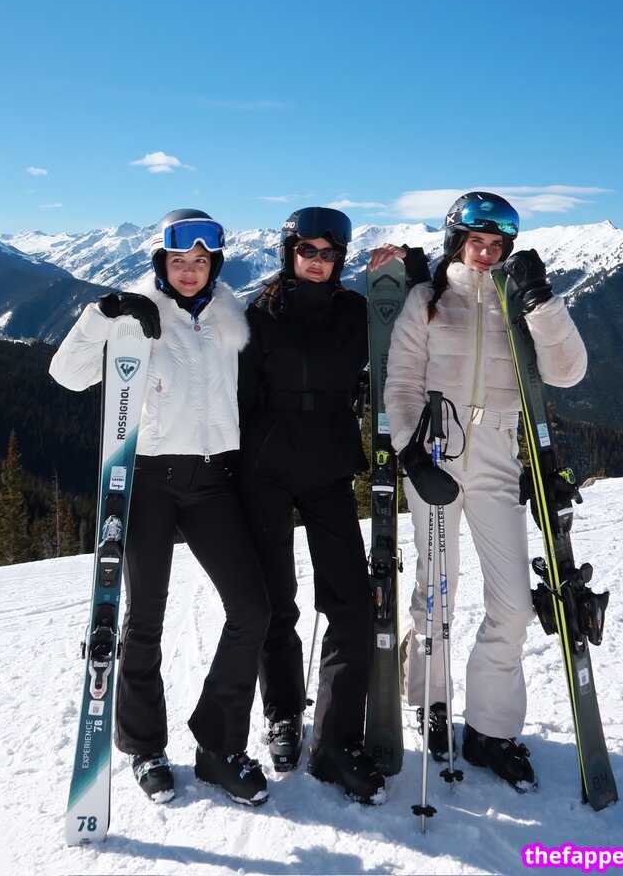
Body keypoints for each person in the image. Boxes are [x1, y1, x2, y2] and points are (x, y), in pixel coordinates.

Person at [49, 209, 272, 807]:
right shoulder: (136, 316)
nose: (190, 270)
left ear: (214, 264)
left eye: (201, 260)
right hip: (148, 479)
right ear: (161, 262)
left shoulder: (230, 317)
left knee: (252, 610)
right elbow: (66, 375)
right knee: (143, 619)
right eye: (179, 260)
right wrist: (103, 313)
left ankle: (218, 745)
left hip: (214, 479)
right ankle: (145, 747)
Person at [383, 191, 587, 790]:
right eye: (477, 241)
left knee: (514, 605)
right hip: (436, 453)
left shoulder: (516, 301)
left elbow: (567, 372)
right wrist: (411, 455)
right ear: (457, 241)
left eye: (497, 244)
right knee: (435, 594)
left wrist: (541, 299)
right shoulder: (426, 300)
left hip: (498, 454)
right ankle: (430, 701)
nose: (486, 253)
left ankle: (490, 729)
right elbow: (401, 382)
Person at [237, 206, 428, 805]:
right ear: (289, 254)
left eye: (327, 254)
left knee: (350, 605)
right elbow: (237, 397)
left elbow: (413, 322)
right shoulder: (259, 316)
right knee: (275, 603)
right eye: (307, 251)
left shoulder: (355, 312)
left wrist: (411, 267)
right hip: (266, 469)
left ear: (339, 260)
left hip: (328, 469)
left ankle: (335, 742)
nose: (317, 262)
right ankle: (283, 713)